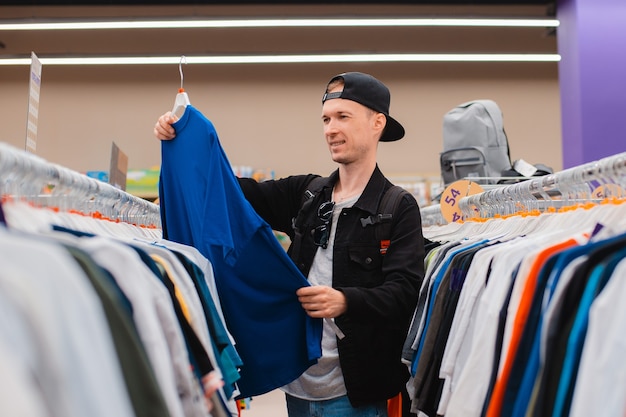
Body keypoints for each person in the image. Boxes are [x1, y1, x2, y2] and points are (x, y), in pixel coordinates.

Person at [154, 71, 425, 417]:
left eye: (343, 117)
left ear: (377, 123)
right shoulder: (307, 194)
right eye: (326, 119)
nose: (330, 129)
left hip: (356, 393)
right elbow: (234, 193)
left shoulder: (396, 207)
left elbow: (405, 293)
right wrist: (184, 137)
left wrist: (344, 301)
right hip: (298, 382)